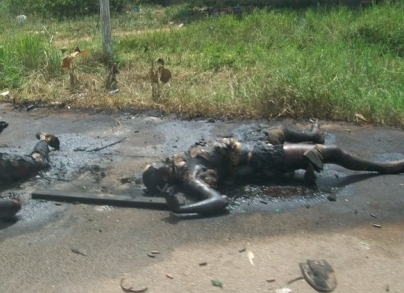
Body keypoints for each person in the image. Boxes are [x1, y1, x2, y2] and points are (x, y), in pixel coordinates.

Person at [142, 121, 404, 217]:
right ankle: (384, 167)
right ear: (164, 178)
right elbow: (219, 200)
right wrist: (181, 209)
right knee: (333, 153)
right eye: (156, 169)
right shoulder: (190, 177)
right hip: (261, 158)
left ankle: (312, 138)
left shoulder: (182, 162)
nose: (160, 162)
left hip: (255, 145)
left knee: (278, 130)